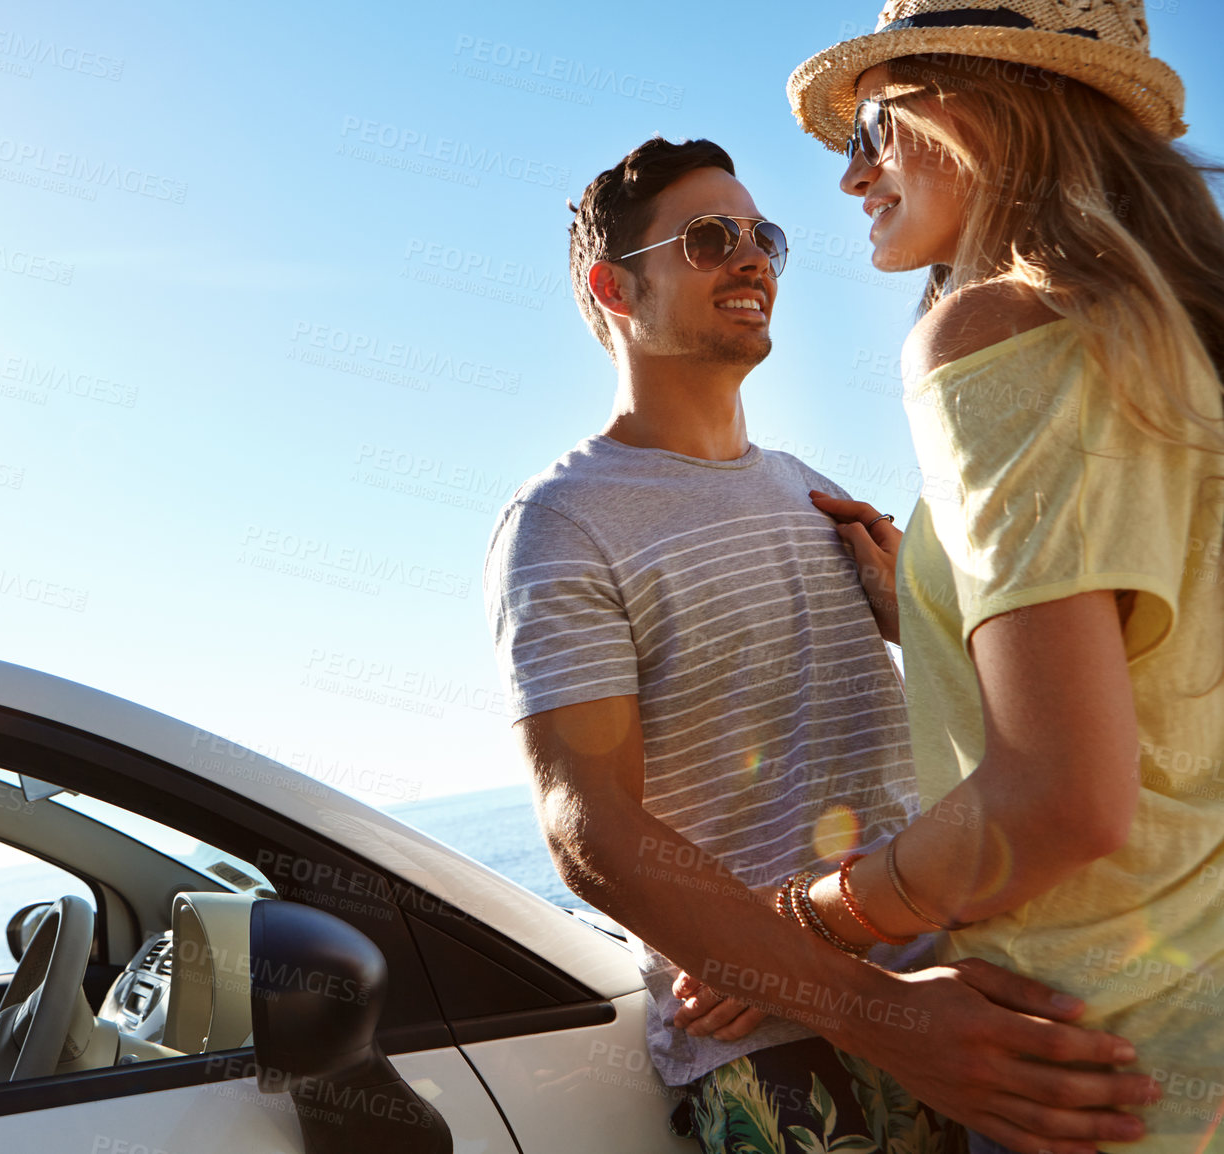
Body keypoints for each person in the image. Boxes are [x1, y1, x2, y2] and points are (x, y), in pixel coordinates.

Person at [483, 135, 1157, 1154]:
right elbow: (588, 827)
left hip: (963, 992)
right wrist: (880, 1015)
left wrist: (918, 621)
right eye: (709, 239)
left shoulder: (815, 493)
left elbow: (1028, 737)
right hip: (782, 1052)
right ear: (612, 286)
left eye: (765, 237)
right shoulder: (561, 520)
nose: (751, 258)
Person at [783, 1, 1224, 1151]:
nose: (851, 178)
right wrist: (934, 614)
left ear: (970, 105)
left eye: (870, 130)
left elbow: (1058, 800)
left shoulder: (982, 332)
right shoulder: (1170, 339)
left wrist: (814, 925)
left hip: (1091, 1067)